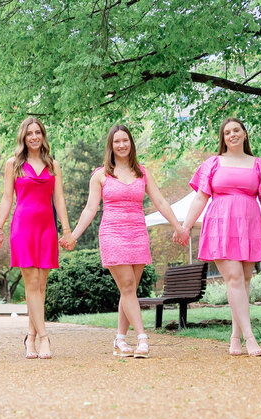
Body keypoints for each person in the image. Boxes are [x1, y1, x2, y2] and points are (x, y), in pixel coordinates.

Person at [63, 125, 184, 359]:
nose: (121, 145)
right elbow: (90, 209)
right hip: (112, 233)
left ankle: (119, 340)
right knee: (128, 286)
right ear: (111, 145)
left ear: (131, 144)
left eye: (125, 140)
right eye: (116, 141)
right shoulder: (101, 175)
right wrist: (74, 235)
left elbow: (160, 201)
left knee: (127, 290)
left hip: (138, 234)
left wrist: (178, 227)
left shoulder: (142, 172)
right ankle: (142, 338)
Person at [178, 117, 261, 357]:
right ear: (222, 138)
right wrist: (185, 227)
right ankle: (250, 337)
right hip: (220, 226)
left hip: (250, 227)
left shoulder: (258, 164)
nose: (232, 135)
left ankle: (234, 338)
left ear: (245, 134)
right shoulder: (213, 163)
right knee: (234, 278)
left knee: (244, 282)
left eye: (236, 130)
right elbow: (200, 198)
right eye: (227, 132)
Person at [0, 117, 70, 360]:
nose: (34, 137)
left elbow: (59, 199)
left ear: (43, 135)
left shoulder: (53, 165)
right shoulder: (13, 164)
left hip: (47, 227)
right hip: (23, 226)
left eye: (38, 132)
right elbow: (7, 198)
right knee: (31, 283)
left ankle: (30, 337)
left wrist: (66, 230)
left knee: (41, 285)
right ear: (23, 137)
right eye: (30, 133)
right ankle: (44, 338)